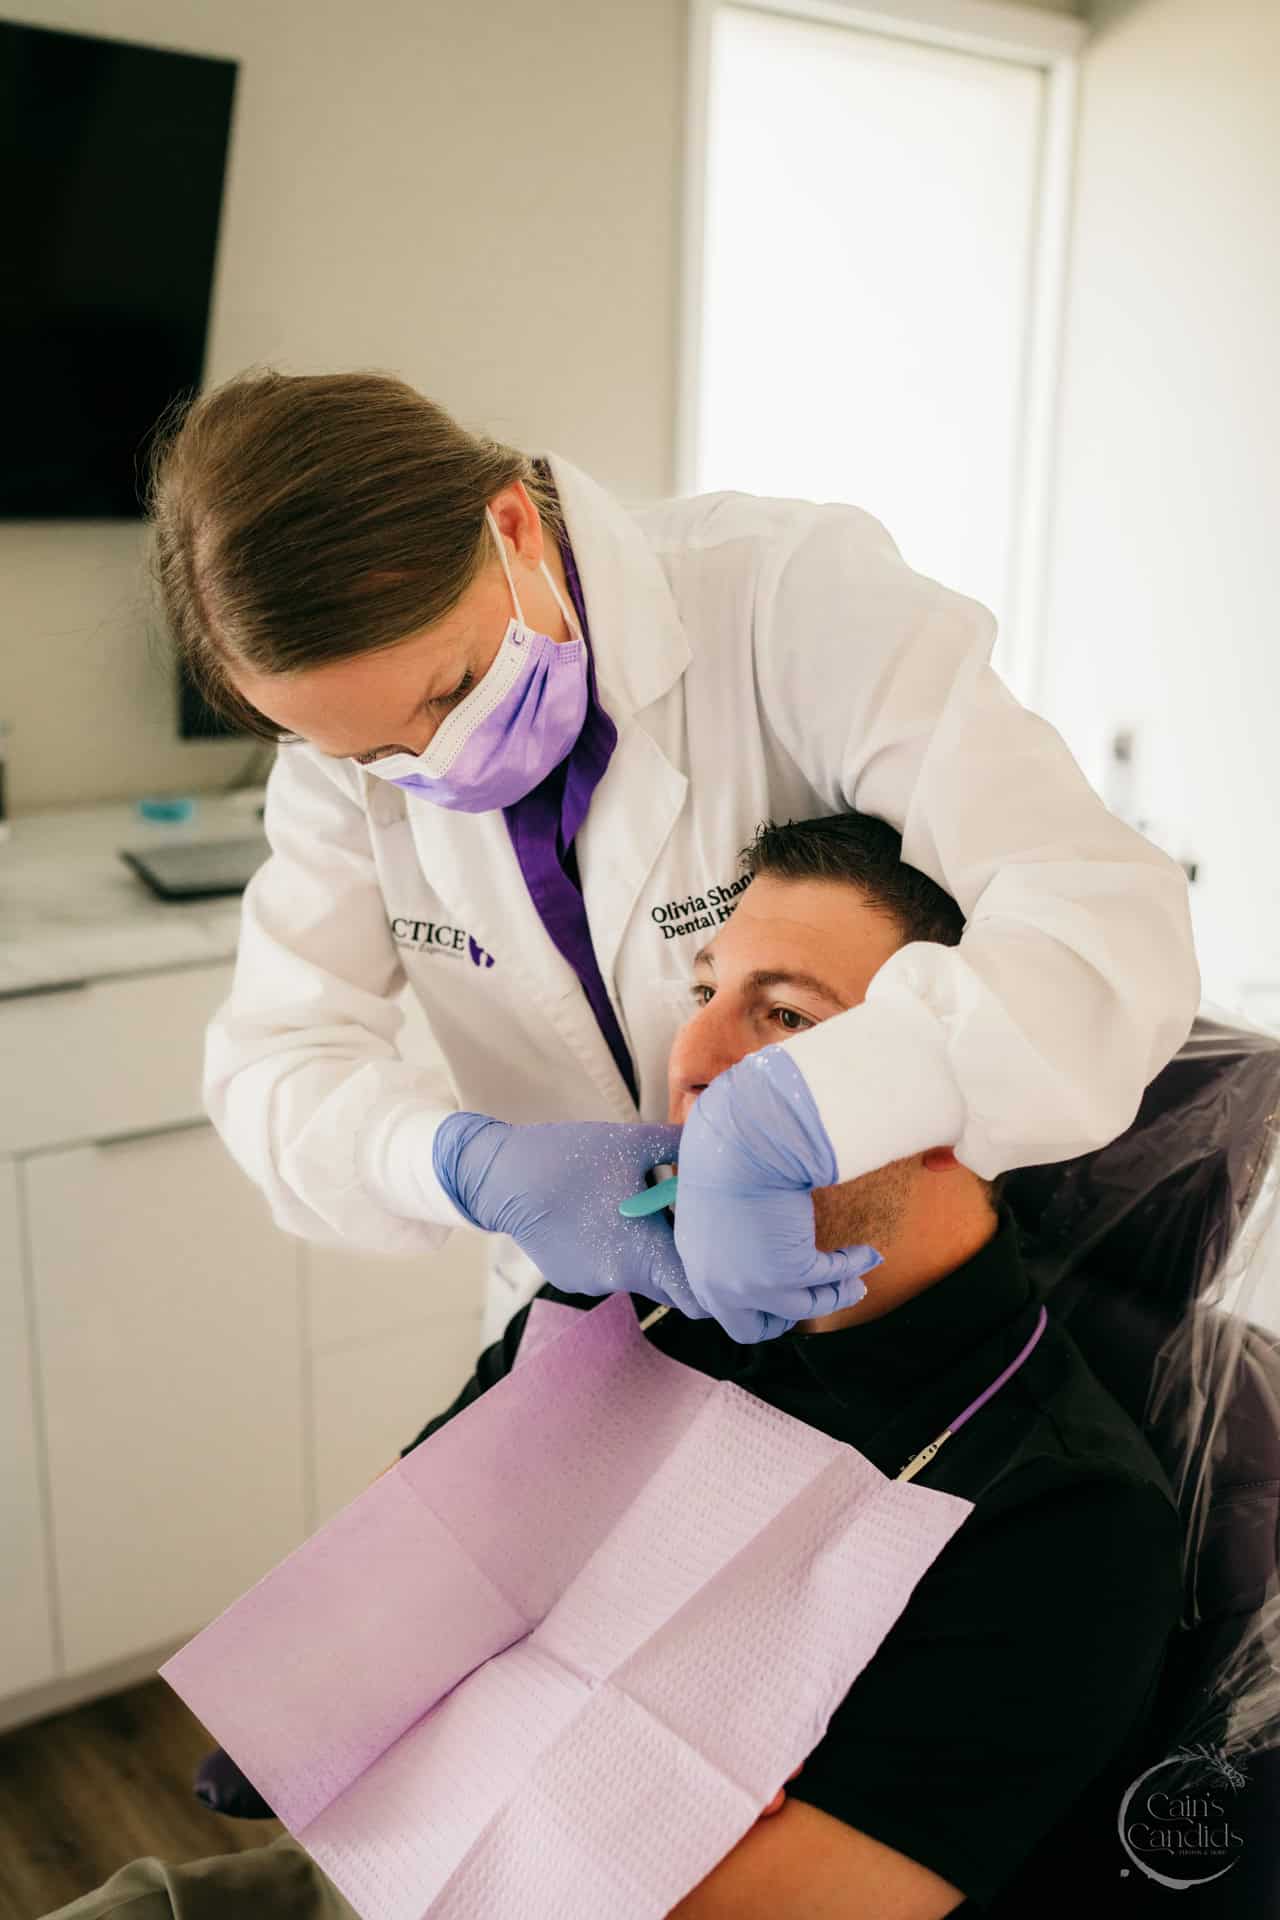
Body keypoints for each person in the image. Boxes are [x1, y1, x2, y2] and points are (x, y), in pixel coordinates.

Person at [44, 813, 1185, 1919]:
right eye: (700, 995)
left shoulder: (1062, 1512)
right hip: (372, 1868)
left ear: (950, 1086)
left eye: (783, 1017)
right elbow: (397, 1584)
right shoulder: (622, 1307)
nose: (691, 1060)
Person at [145, 370, 1201, 1345]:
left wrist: (801, 1113)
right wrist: (462, 1167)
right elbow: (275, 1063)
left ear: (509, 525)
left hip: (866, 1296)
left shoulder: (786, 598)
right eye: (377, 753)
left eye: (448, 689)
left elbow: (1097, 926)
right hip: (587, 1315)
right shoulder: (336, 746)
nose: (434, 760)